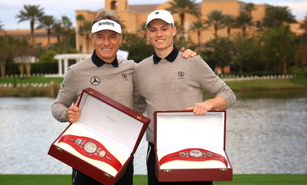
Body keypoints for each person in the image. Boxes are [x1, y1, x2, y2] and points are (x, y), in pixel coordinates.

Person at [51, 9, 198, 185]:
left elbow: (141, 101)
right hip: (85, 153)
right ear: (92, 39)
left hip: (121, 156)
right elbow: (57, 105)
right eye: (100, 37)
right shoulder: (76, 72)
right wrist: (66, 113)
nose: (107, 42)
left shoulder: (133, 69)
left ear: (120, 39)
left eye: (112, 36)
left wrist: (187, 57)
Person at [133, 10, 237, 185]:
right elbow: (135, 109)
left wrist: (209, 104)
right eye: (153, 30)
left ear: (173, 30)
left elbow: (229, 95)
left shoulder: (193, 62)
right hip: (156, 152)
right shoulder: (140, 69)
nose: (159, 34)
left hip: (195, 149)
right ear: (148, 34)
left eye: (164, 29)